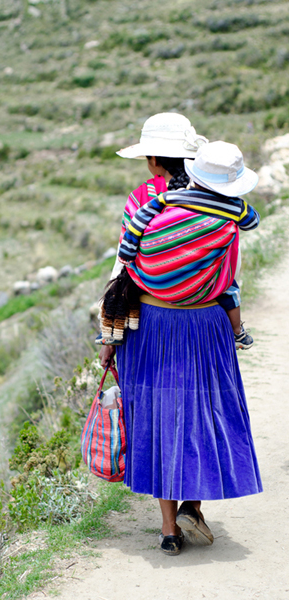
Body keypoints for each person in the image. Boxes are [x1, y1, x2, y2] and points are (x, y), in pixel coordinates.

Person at [99, 140, 263, 557]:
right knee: (203, 412)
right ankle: (194, 503)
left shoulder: (145, 208)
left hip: (151, 324)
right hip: (205, 323)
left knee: (158, 415)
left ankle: (169, 529)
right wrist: (237, 329)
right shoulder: (226, 223)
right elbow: (228, 281)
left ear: (153, 159)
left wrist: (110, 338)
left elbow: (124, 273)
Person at [117, 141, 260, 349]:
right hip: (200, 294)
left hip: (154, 285)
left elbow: (141, 217)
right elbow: (253, 222)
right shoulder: (235, 207)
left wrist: (127, 251)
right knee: (229, 288)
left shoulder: (171, 197)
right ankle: (237, 332)